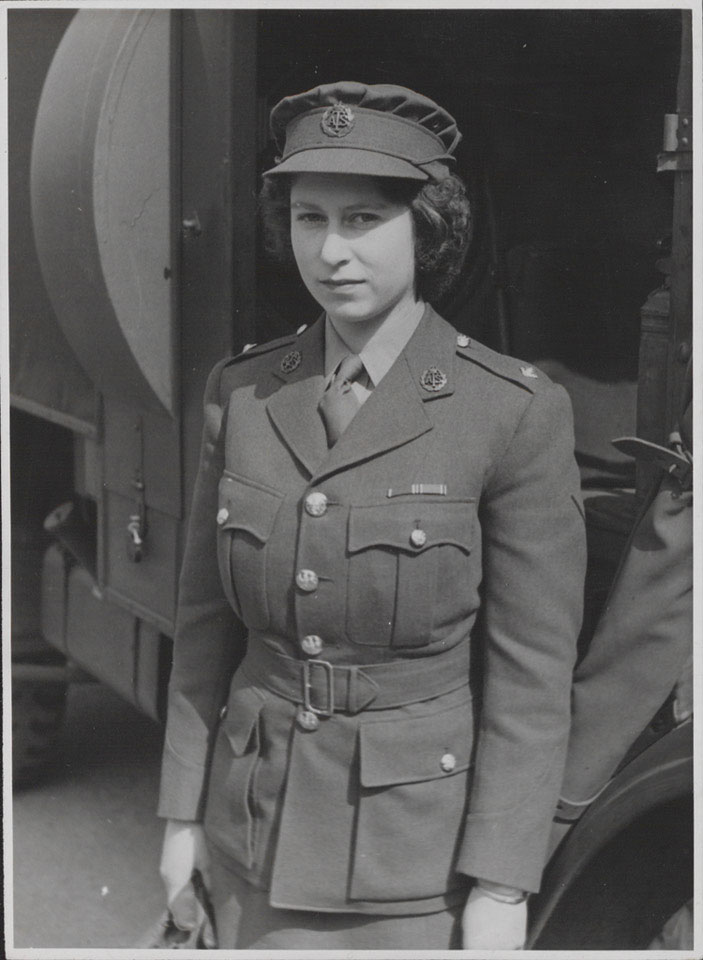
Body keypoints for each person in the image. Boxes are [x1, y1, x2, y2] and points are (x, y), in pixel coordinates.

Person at [157, 81, 587, 950]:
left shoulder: (508, 409)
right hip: (253, 832)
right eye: (308, 218)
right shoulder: (242, 393)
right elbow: (203, 630)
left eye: (362, 220)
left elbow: (529, 677)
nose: (330, 251)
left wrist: (502, 884)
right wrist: (180, 819)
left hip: (412, 862)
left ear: (426, 230)